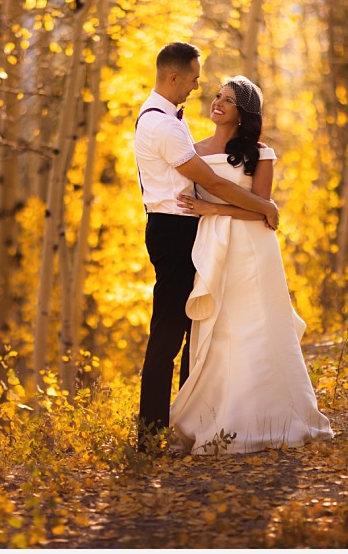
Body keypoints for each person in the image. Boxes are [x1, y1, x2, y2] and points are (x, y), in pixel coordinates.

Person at [169, 75, 333, 455]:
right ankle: (218, 418)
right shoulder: (192, 151)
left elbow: (262, 212)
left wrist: (213, 208)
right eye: (217, 96)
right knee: (219, 328)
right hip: (212, 246)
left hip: (253, 249)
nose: (217, 103)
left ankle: (273, 417)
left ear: (243, 114)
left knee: (256, 327)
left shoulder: (260, 153)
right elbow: (262, 209)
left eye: (227, 101)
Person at [133, 43, 280, 452]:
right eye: (196, 79)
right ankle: (150, 435)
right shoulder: (162, 125)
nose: (199, 87)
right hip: (174, 230)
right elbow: (212, 183)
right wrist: (265, 207)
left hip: (191, 230)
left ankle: (190, 420)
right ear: (174, 77)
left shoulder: (170, 122)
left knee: (194, 330)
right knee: (168, 333)